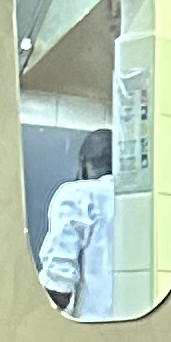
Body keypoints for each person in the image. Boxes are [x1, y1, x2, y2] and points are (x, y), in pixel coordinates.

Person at [38, 129, 116, 321]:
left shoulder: (77, 195)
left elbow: (59, 289)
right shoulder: (144, 202)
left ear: (82, 164)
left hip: (89, 330)